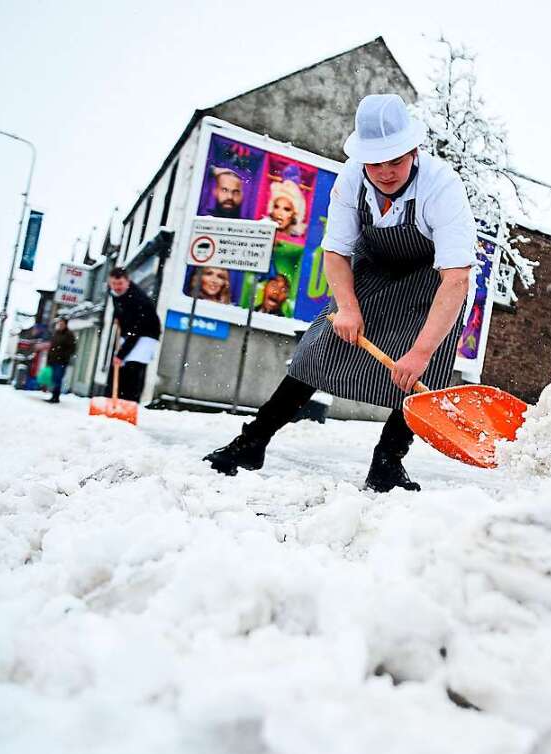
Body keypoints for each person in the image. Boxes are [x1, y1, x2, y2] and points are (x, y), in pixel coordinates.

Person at [204, 93, 476, 492]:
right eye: (375, 162)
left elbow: (456, 279)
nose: (384, 172)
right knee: (319, 351)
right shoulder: (352, 179)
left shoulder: (443, 188)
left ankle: (387, 463)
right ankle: (252, 442)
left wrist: (419, 352)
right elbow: (335, 252)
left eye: (395, 161)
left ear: (414, 150)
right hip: (371, 269)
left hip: (432, 281)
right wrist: (348, 308)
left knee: (423, 370)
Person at [107, 267, 162, 403]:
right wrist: (117, 316)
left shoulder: (137, 299)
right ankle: (113, 400)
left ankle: (129, 402)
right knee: (118, 367)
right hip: (130, 332)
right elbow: (119, 308)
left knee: (132, 367)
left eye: (120, 284)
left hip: (147, 334)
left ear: (127, 281)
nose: (117, 287)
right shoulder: (115, 294)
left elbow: (136, 331)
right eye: (113, 284)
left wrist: (121, 355)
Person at [45, 318, 76, 403]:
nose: (60, 325)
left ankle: (56, 397)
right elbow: (52, 347)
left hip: (61, 361)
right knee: (54, 378)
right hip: (53, 360)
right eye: (59, 323)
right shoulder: (56, 333)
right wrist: (49, 359)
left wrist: (63, 356)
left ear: (65, 324)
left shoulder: (69, 335)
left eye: (62, 323)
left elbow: (72, 348)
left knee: (58, 378)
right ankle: (53, 395)